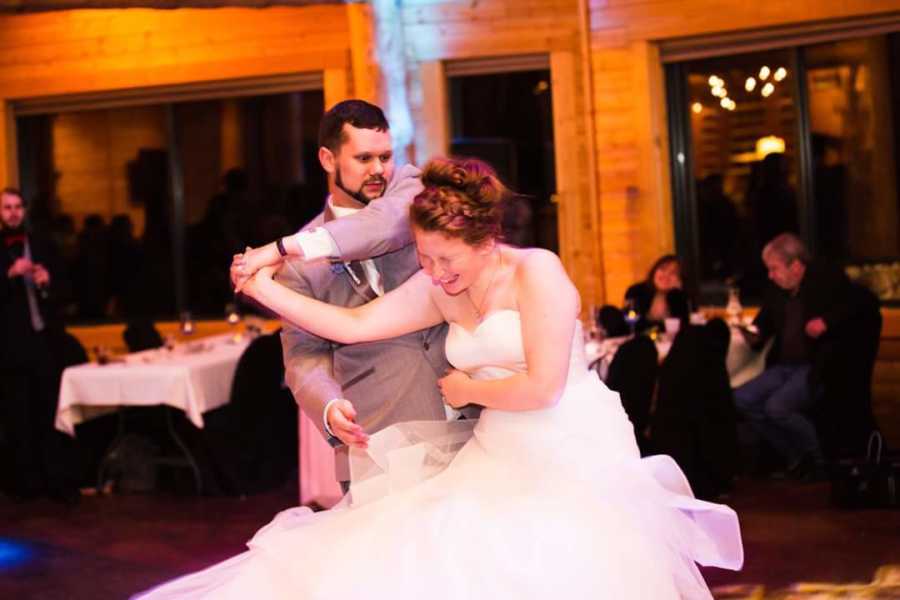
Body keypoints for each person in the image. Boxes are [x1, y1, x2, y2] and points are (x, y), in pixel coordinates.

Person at [137, 157, 742, 599]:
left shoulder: (538, 274)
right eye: (424, 260)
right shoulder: (440, 288)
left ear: (486, 241)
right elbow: (351, 325)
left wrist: (467, 388)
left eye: (445, 260)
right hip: (498, 448)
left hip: (570, 450)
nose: (434, 273)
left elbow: (545, 387)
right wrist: (264, 286)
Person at [237, 99, 468, 487]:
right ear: (328, 159)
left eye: (385, 156)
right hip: (381, 435)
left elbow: (379, 228)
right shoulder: (297, 267)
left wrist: (280, 247)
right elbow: (304, 358)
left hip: (468, 416)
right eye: (363, 158)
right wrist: (328, 408)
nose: (379, 170)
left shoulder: (411, 194)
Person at [734, 233, 854, 480]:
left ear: (796, 266)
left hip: (814, 367)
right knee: (741, 399)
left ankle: (819, 461)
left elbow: (860, 304)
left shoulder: (826, 285)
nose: (771, 275)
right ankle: (795, 457)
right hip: (783, 367)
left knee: (776, 407)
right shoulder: (777, 292)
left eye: (774, 269)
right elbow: (762, 327)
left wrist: (826, 322)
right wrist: (751, 335)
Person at [0, 187, 79, 504]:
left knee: (50, 414)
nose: (14, 212)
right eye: (7, 208)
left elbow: (67, 291)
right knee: (19, 419)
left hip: (45, 344)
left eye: (18, 206)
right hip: (9, 349)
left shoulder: (42, 245)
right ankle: (26, 487)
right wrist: (8, 275)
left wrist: (48, 283)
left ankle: (57, 482)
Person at [623, 254, 690, 332]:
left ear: (679, 279)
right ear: (654, 271)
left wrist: (677, 294)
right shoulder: (636, 291)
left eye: (673, 273)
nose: (666, 275)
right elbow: (631, 326)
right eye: (663, 269)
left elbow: (683, 328)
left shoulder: (679, 297)